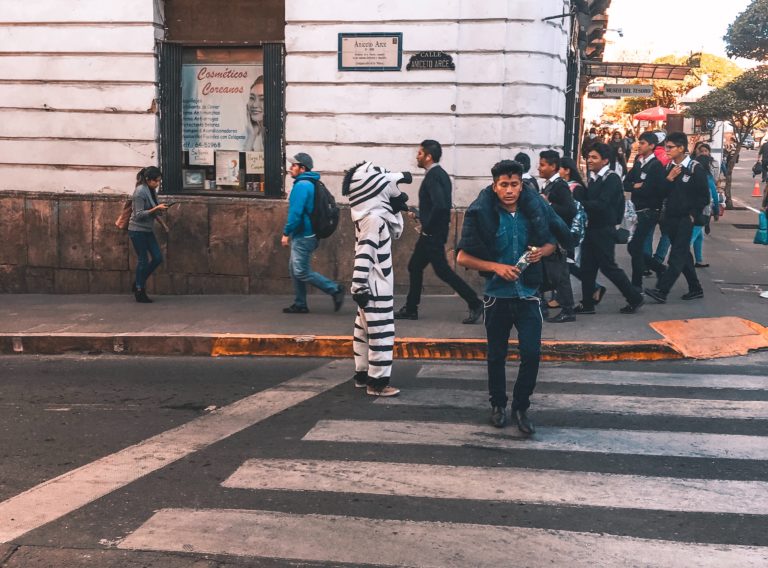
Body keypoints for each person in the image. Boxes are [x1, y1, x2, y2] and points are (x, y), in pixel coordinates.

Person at [456, 159, 556, 434]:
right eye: (504, 185)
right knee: (496, 355)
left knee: (532, 354)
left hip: (528, 296)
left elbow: (552, 241)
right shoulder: (484, 215)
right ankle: (498, 405)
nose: (509, 190)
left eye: (514, 184)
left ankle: (521, 406)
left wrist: (542, 252)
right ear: (495, 186)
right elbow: (462, 256)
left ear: (521, 186)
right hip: (496, 297)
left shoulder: (532, 213)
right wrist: (496, 267)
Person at [343, 161, 413, 397]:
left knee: (363, 331)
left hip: (370, 284)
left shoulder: (369, 216)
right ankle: (378, 383)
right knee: (382, 332)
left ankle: (362, 376)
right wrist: (359, 284)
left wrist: (393, 209)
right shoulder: (373, 219)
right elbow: (365, 251)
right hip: (376, 284)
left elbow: (393, 232)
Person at [395, 140, 483, 324]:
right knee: (415, 267)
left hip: (432, 234)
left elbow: (441, 205)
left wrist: (426, 224)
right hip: (431, 233)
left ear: (428, 156)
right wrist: (421, 216)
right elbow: (437, 205)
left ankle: (475, 302)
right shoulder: (437, 174)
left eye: (419, 153)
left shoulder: (434, 175)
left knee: (443, 271)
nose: (417, 157)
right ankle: (411, 308)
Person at [574, 143, 644, 315]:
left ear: (605, 160)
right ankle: (587, 303)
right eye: (588, 157)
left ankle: (634, 297)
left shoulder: (610, 178)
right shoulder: (594, 177)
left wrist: (579, 203)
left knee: (608, 267)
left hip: (604, 229)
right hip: (592, 228)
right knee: (587, 267)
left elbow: (602, 205)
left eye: (594, 157)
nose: (589, 160)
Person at [645, 132, 710, 304]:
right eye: (666, 146)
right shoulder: (669, 168)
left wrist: (692, 215)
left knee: (676, 256)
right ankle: (695, 288)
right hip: (670, 218)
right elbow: (661, 193)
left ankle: (662, 290)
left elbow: (704, 197)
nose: (667, 150)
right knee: (684, 255)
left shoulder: (695, 168)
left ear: (681, 148)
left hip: (685, 219)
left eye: (670, 147)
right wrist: (669, 179)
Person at [281, 152, 345, 314]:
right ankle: (300, 303)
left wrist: (286, 233)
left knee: (301, 271)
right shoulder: (310, 183)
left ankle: (335, 289)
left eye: (294, 165)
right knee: (294, 269)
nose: (290, 168)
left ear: (302, 168)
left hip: (304, 235)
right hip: (307, 233)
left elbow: (295, 213)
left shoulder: (302, 186)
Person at [559, 157, 606, 306]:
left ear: (567, 170)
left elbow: (578, 212)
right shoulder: (563, 186)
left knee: (567, 263)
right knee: (566, 263)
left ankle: (594, 287)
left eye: (559, 168)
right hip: (563, 229)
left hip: (573, 231)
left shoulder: (576, 188)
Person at [623, 131, 667, 289]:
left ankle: (637, 287)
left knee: (635, 247)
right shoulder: (638, 162)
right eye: (639, 143)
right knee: (634, 247)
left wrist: (639, 187)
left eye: (642, 143)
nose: (638, 146)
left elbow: (651, 190)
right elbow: (626, 183)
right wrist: (636, 185)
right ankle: (659, 268)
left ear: (652, 146)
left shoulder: (655, 166)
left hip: (649, 212)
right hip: (637, 211)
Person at [538, 150, 577, 323]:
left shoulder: (559, 185)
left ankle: (568, 310)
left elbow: (570, 210)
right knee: (547, 274)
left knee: (560, 276)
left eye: (543, 164)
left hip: (557, 238)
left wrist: (549, 204)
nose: (539, 168)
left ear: (553, 167)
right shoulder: (548, 185)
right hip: (548, 236)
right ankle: (542, 306)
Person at [127, 167, 167, 303]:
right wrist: (156, 208)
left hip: (147, 230)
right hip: (137, 230)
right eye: (156, 181)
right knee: (143, 260)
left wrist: (163, 224)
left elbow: (153, 211)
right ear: (148, 180)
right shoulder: (139, 192)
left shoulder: (151, 190)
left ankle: (139, 280)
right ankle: (140, 290)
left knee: (157, 258)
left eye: (159, 181)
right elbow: (138, 215)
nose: (158, 184)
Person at [689, 153, 719, 268]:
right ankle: (681, 259)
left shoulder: (693, 174)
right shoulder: (707, 177)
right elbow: (714, 195)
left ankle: (699, 260)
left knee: (699, 236)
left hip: (695, 209)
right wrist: (716, 210)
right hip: (703, 211)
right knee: (692, 236)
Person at [245, 76, 264, 152]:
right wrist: (252, 135)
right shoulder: (255, 133)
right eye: (252, 98)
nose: (255, 105)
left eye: (262, 99)